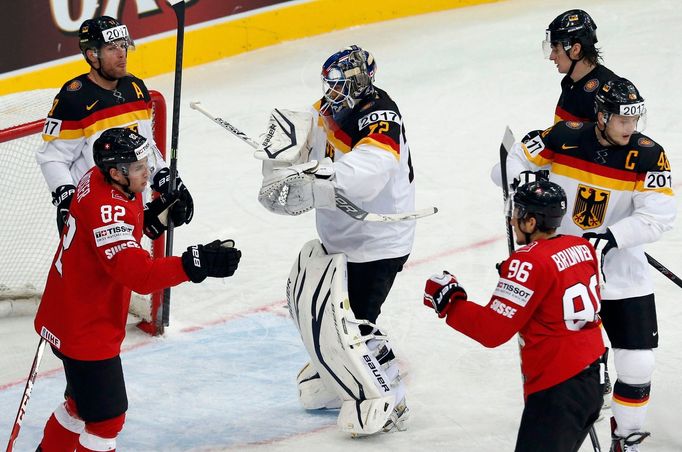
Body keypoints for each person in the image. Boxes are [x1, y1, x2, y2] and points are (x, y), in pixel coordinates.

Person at [493, 78, 675, 451]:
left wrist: (612, 238)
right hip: (565, 270)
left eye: (635, 120)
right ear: (603, 115)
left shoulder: (648, 155)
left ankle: (627, 440)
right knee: (567, 362)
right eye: (623, 120)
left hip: (622, 271)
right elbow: (507, 164)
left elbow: (659, 216)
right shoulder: (564, 136)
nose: (631, 128)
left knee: (639, 363)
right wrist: (524, 180)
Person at [33, 128, 241, 451]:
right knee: (106, 422)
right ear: (116, 172)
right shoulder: (108, 210)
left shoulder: (96, 178)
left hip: (66, 312)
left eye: (145, 162)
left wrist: (151, 220)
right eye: (139, 167)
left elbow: (110, 234)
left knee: (80, 405)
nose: (147, 172)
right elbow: (140, 276)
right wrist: (193, 264)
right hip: (86, 330)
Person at [256, 45, 415, 435]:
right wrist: (282, 157)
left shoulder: (380, 115)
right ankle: (341, 372)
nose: (332, 94)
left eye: (340, 86)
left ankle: (389, 393)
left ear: (361, 83)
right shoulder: (330, 107)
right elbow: (303, 134)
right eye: (329, 86)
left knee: (357, 322)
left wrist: (319, 175)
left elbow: (372, 170)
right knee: (332, 316)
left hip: (378, 240)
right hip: (341, 236)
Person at [424, 180, 605, 452]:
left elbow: (492, 331)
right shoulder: (582, 247)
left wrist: (450, 302)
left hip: (557, 388)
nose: (511, 221)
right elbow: (557, 294)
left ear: (531, 222)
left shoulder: (529, 262)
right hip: (592, 379)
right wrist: (521, 285)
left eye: (517, 213)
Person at [36, 15, 192, 234]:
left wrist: (165, 177)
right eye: (111, 48)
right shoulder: (73, 99)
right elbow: (52, 157)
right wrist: (66, 198)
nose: (122, 54)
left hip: (132, 204)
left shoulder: (136, 88)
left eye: (123, 45)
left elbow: (146, 145)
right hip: (92, 211)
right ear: (92, 55)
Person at [543, 9, 618, 123]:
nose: (551, 57)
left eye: (556, 50)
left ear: (575, 49)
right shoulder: (569, 82)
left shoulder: (607, 93)